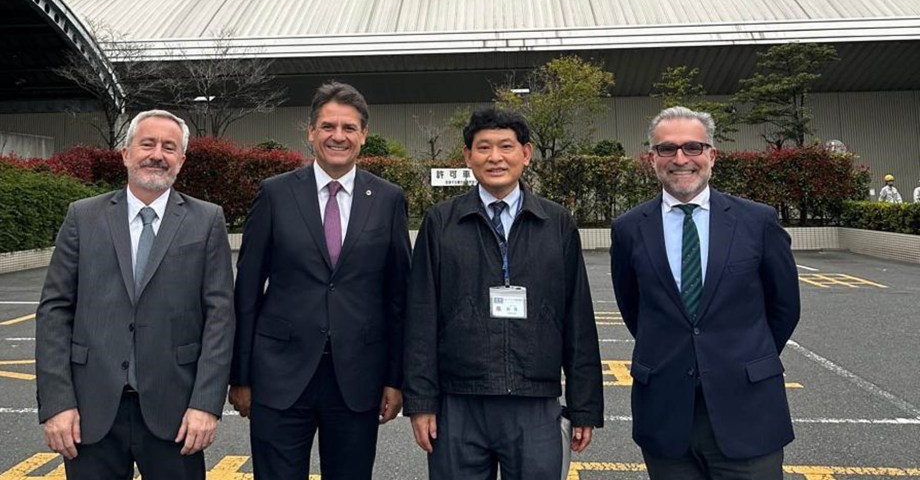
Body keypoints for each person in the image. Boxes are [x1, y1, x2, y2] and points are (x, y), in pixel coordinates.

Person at [403, 107, 604, 480]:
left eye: (506, 146)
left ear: (526, 153)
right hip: (459, 403)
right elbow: (421, 316)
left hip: (536, 402)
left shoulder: (556, 222)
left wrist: (584, 405)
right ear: (467, 156)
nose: (495, 158)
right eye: (483, 148)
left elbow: (578, 317)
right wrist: (421, 402)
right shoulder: (441, 222)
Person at [35, 110, 235, 480]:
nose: (157, 154)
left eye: (169, 147)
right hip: (89, 414)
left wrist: (206, 405)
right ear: (125, 153)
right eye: (147, 143)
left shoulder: (207, 221)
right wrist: (57, 404)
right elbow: (54, 312)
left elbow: (220, 318)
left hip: (176, 414)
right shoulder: (83, 217)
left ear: (181, 160)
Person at [229, 82, 411, 480]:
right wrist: (240, 374)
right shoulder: (275, 194)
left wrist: (395, 379)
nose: (338, 136)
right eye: (328, 126)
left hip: (358, 376)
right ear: (310, 131)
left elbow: (398, 297)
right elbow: (246, 290)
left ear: (363, 135)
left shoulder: (387, 199)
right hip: (278, 373)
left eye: (349, 127)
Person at [610, 106, 801, 479]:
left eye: (692, 147)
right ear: (652, 159)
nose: (680, 159)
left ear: (712, 155)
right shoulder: (629, 228)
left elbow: (785, 307)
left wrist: (741, 358)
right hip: (666, 413)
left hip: (748, 410)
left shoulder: (757, 221)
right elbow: (633, 308)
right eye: (667, 149)